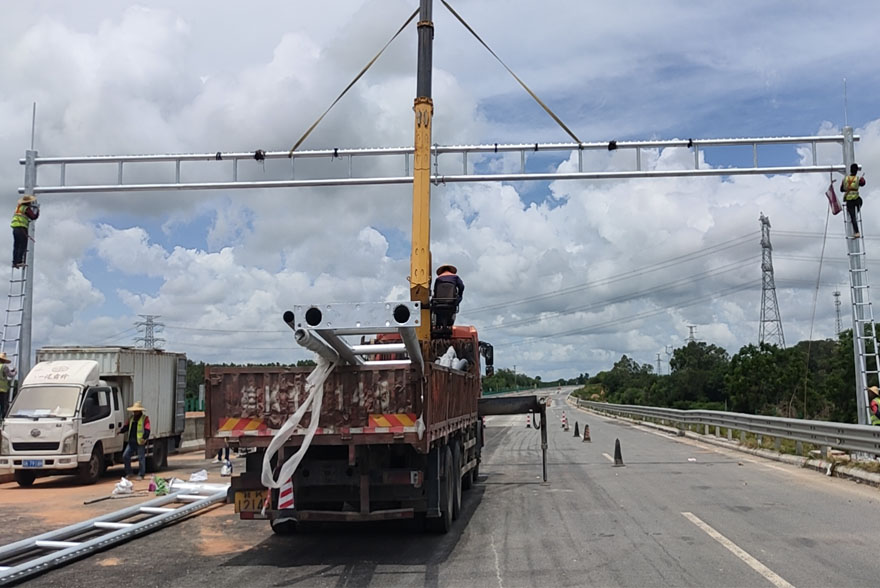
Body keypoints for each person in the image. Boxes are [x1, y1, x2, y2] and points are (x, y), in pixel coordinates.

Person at [120, 401, 151, 480]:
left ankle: (141, 474)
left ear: (140, 411)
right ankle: (129, 473)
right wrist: (120, 431)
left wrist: (144, 438)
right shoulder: (131, 419)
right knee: (125, 456)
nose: (135, 412)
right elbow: (126, 427)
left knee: (141, 458)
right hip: (131, 441)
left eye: (136, 411)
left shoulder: (145, 419)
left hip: (140, 441)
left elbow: (147, 429)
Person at [433, 264, 465, 328]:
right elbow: (461, 286)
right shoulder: (455, 277)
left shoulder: (438, 279)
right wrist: (459, 295)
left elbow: (435, 290)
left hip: (439, 301)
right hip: (452, 301)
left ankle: (437, 322)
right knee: (460, 297)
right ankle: (452, 313)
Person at [11, 195, 39, 268]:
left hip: (15, 228)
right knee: (22, 245)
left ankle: (15, 262)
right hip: (21, 227)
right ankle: (19, 261)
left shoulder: (18, 207)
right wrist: (37, 210)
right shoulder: (26, 208)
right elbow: (33, 217)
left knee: (16, 245)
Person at [841, 163, 866, 238]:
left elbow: (841, 189)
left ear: (850, 170)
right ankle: (857, 211)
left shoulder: (845, 179)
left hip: (849, 199)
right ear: (856, 171)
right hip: (856, 199)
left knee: (852, 217)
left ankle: (857, 232)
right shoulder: (858, 179)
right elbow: (863, 184)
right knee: (860, 201)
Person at [0, 353, 14, 419]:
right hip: (2, 389)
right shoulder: (4, 366)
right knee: (4, 406)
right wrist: (15, 372)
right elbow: (10, 375)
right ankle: (3, 419)